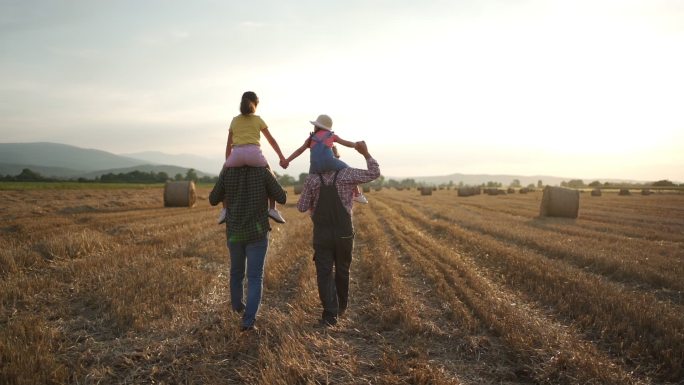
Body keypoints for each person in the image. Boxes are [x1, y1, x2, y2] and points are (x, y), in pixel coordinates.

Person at [297, 140, 380, 327]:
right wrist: (366, 153)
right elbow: (374, 172)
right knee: (342, 269)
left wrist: (312, 202)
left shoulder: (312, 178)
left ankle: (330, 314)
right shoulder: (346, 174)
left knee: (324, 272)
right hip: (343, 232)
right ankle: (341, 306)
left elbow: (302, 207)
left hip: (322, 233)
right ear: (335, 157)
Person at [209, 165, 287, 331]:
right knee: (254, 277)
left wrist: (223, 172)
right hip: (257, 234)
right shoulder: (262, 171)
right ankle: (248, 321)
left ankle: (237, 308)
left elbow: (213, 199)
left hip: (234, 232)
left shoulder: (228, 172)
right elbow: (282, 197)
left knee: (236, 273)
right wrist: (270, 173)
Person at [218, 91, 288, 225]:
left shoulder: (234, 120)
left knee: (223, 177)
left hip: (237, 155)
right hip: (254, 155)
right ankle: (272, 208)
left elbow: (229, 145)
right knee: (270, 175)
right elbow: (272, 141)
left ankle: (225, 209)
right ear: (255, 104)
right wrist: (281, 157)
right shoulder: (258, 119)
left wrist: (228, 163)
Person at [281, 114, 368, 204]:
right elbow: (346, 143)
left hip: (314, 166)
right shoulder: (331, 135)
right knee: (349, 171)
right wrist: (356, 145)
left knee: (309, 182)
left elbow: (299, 151)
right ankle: (357, 194)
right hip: (330, 162)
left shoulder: (311, 138)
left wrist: (287, 161)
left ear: (316, 126)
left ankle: (306, 200)